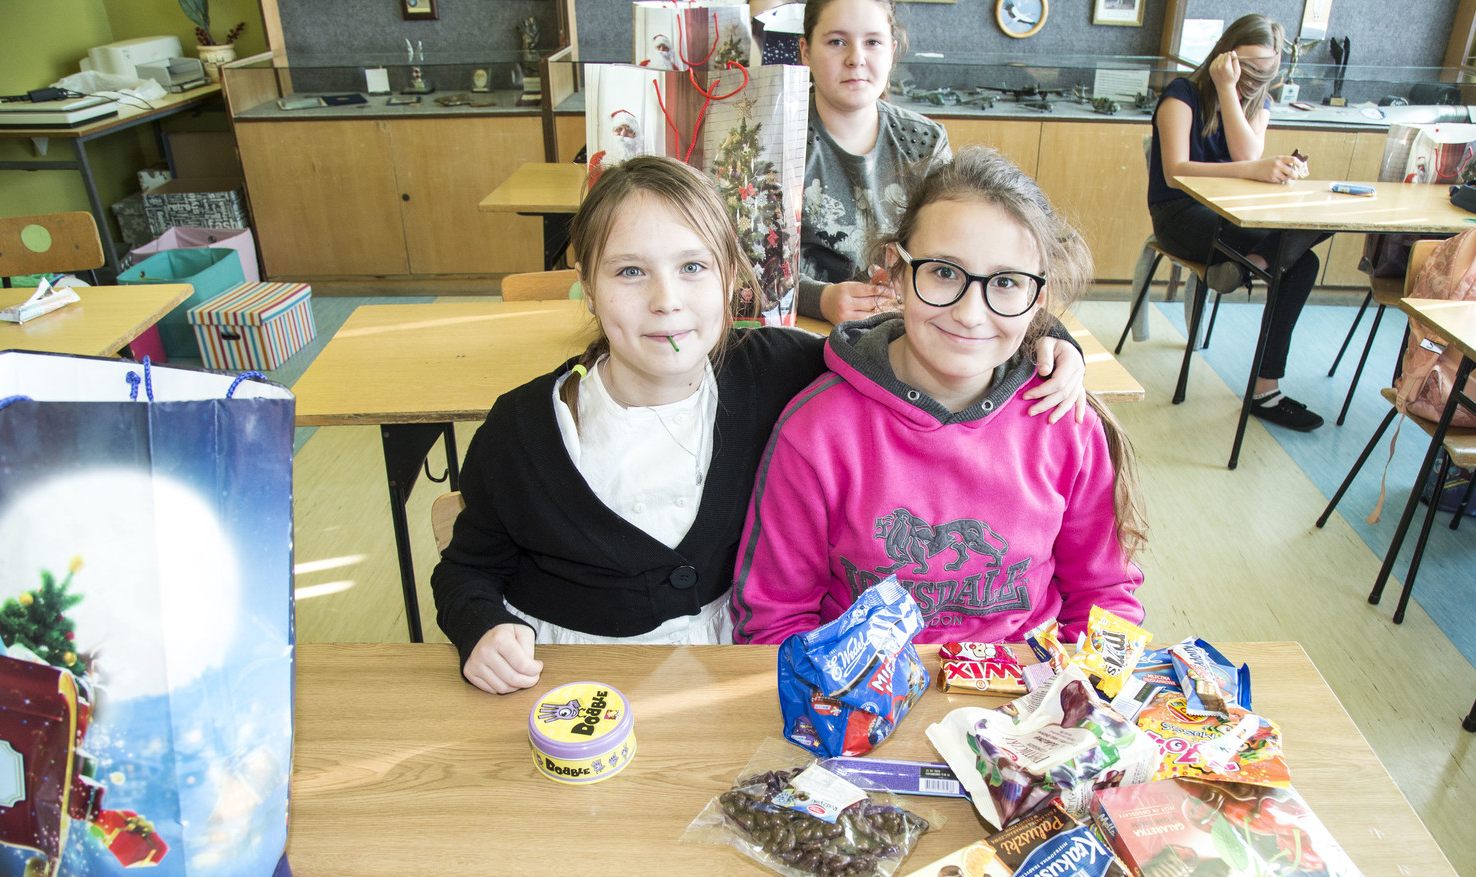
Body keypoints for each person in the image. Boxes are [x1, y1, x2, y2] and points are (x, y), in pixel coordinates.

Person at [432, 155, 1087, 694]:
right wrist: (479, 627)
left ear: (731, 280)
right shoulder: (523, 430)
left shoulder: (774, 369)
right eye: (630, 272)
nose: (666, 301)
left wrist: (1048, 339)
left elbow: (922, 339)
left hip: (727, 673)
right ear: (586, 284)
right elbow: (466, 568)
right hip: (565, 682)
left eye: (693, 268)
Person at [731, 147, 1145, 647]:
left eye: (1006, 282)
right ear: (896, 271)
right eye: (944, 272)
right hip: (859, 685)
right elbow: (775, 621)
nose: (970, 314)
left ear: (1037, 297)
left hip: (1029, 683)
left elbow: (1105, 597)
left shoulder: (1065, 421)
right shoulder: (815, 432)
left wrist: (1079, 687)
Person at [1148, 14, 1327, 432]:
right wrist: (1225, 87)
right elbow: (1175, 172)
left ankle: (1251, 269)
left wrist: (1235, 97)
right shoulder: (1182, 94)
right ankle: (1253, 264)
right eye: (1247, 69)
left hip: (1232, 217)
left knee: (1305, 259)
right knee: (1298, 259)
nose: (1253, 80)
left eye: (1265, 71)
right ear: (1224, 55)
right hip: (1180, 215)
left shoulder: (1259, 101)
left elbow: (1247, 155)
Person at [797, 0, 951, 325]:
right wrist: (820, 299)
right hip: (804, 329)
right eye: (836, 41)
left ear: (891, 51)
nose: (856, 58)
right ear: (806, 51)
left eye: (872, 42)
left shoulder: (926, 143)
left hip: (904, 326)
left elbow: (959, 246)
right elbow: (738, 262)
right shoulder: (772, 139)